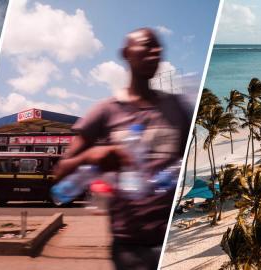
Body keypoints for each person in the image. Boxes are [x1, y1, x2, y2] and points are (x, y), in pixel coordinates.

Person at [54, 28, 190, 270]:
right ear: (127, 53)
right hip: (129, 250)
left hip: (172, 243)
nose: (156, 51)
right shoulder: (106, 111)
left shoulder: (178, 108)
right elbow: (60, 173)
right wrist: (92, 156)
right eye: (147, 45)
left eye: (158, 46)